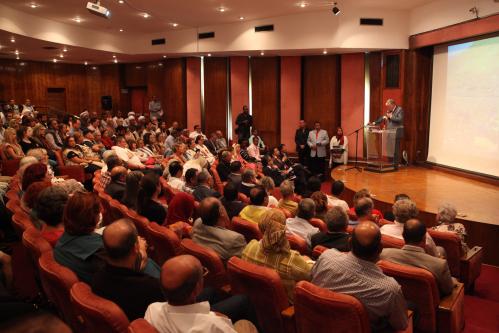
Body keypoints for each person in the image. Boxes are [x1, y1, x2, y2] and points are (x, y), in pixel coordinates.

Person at [312, 222, 408, 331]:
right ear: (381, 248)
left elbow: (312, 279)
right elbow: (401, 325)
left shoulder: (326, 257)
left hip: (317, 324)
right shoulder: (390, 290)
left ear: (349, 243)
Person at [145, 255, 258, 333]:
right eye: (203, 272)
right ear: (196, 289)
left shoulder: (152, 309)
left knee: (210, 291)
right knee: (243, 301)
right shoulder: (214, 326)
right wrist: (217, 318)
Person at [91, 219, 163, 321]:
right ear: (135, 248)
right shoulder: (153, 287)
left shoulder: (96, 277)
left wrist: (142, 256)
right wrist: (142, 251)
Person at [242, 209, 312, 303]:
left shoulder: (249, 247)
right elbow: (311, 275)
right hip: (288, 307)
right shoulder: (291, 259)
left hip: (256, 301)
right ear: (283, 229)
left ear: (260, 227)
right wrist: (308, 261)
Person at [381, 219, 456, 296]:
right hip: (426, 306)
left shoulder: (384, 254)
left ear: (403, 236)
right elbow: (448, 290)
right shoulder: (440, 265)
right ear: (424, 238)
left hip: (397, 300)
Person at [192, 197, 247, 262]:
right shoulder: (235, 239)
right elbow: (241, 264)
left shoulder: (197, 222)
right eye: (222, 206)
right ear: (221, 211)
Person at [372, 99, 404, 169]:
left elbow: (400, 119)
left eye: (388, 106)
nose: (388, 108)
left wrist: (391, 117)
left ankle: (396, 165)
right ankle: (391, 164)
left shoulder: (399, 109)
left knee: (396, 150)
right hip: (390, 133)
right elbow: (383, 118)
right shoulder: (389, 111)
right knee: (390, 149)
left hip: (397, 133)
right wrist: (375, 123)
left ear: (392, 104)